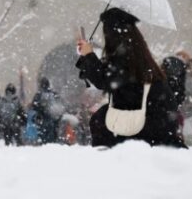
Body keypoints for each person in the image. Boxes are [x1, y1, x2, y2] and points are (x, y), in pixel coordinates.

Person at [76, 8, 185, 148]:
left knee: (101, 121)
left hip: (150, 124)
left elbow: (104, 80)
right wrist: (88, 55)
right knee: (102, 119)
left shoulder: (123, 56)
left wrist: (89, 56)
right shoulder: (136, 53)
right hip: (160, 121)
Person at [31, 77, 62, 144]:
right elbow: (60, 105)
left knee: (42, 136)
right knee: (52, 135)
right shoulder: (54, 94)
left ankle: (44, 145)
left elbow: (34, 106)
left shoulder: (38, 94)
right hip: (53, 118)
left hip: (42, 118)